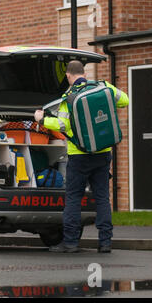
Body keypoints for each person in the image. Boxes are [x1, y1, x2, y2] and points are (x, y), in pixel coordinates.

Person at [34, 60, 129, 253]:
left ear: (68, 76)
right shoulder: (104, 87)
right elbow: (124, 101)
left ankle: (70, 242)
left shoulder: (68, 98)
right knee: (102, 198)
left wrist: (42, 119)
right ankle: (105, 243)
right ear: (84, 73)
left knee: (74, 198)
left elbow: (62, 126)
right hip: (103, 152)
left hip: (79, 155)